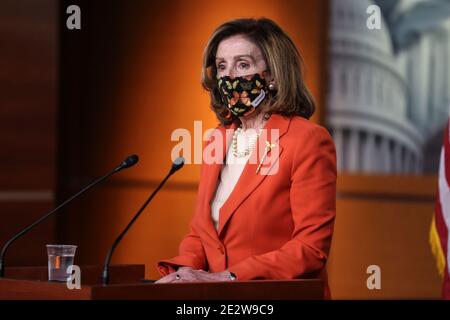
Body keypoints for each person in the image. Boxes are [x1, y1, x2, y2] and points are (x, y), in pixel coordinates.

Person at [155, 18, 336, 298]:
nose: (229, 78)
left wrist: (228, 278)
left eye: (243, 65)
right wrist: (185, 273)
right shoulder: (217, 139)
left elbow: (311, 248)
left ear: (273, 75)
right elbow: (201, 233)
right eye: (222, 67)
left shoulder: (307, 140)